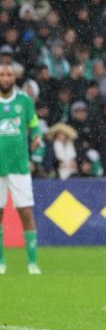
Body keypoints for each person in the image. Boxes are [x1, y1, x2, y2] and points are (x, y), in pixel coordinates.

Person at [0, 65, 43, 275]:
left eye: (8, 74)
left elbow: (34, 124)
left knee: (25, 212)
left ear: (14, 77)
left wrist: (37, 136)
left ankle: (32, 262)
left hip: (19, 165)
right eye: (2, 75)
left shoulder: (24, 101)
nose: (5, 78)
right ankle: (0, 262)